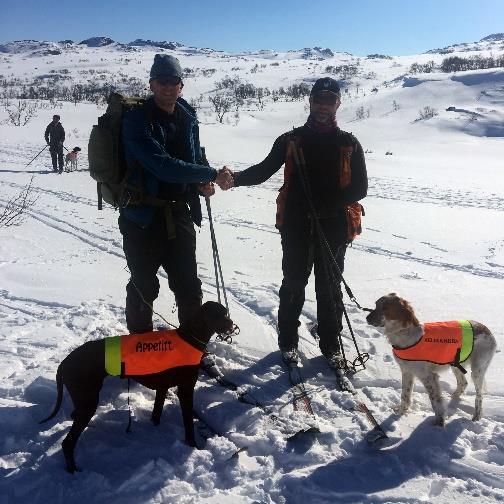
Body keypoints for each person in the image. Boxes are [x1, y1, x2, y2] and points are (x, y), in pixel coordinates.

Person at [219, 77, 367, 367]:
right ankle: (288, 342)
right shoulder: (291, 140)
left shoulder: (348, 143)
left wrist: (326, 204)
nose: (323, 105)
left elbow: (359, 188)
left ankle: (330, 342)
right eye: (318, 99)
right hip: (296, 225)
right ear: (310, 101)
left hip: (335, 226)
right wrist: (235, 179)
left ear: (337, 104)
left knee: (329, 288)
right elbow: (263, 170)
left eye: (329, 100)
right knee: (293, 284)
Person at [120, 53, 233, 333]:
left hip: (179, 212)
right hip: (142, 216)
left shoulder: (186, 115)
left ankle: (192, 342)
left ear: (181, 85)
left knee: (188, 284)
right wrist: (210, 175)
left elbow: (195, 155)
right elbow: (162, 166)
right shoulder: (137, 120)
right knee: (144, 284)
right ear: (152, 83)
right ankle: (140, 346)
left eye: (174, 81)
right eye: (162, 81)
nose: (168, 87)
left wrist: (202, 180)